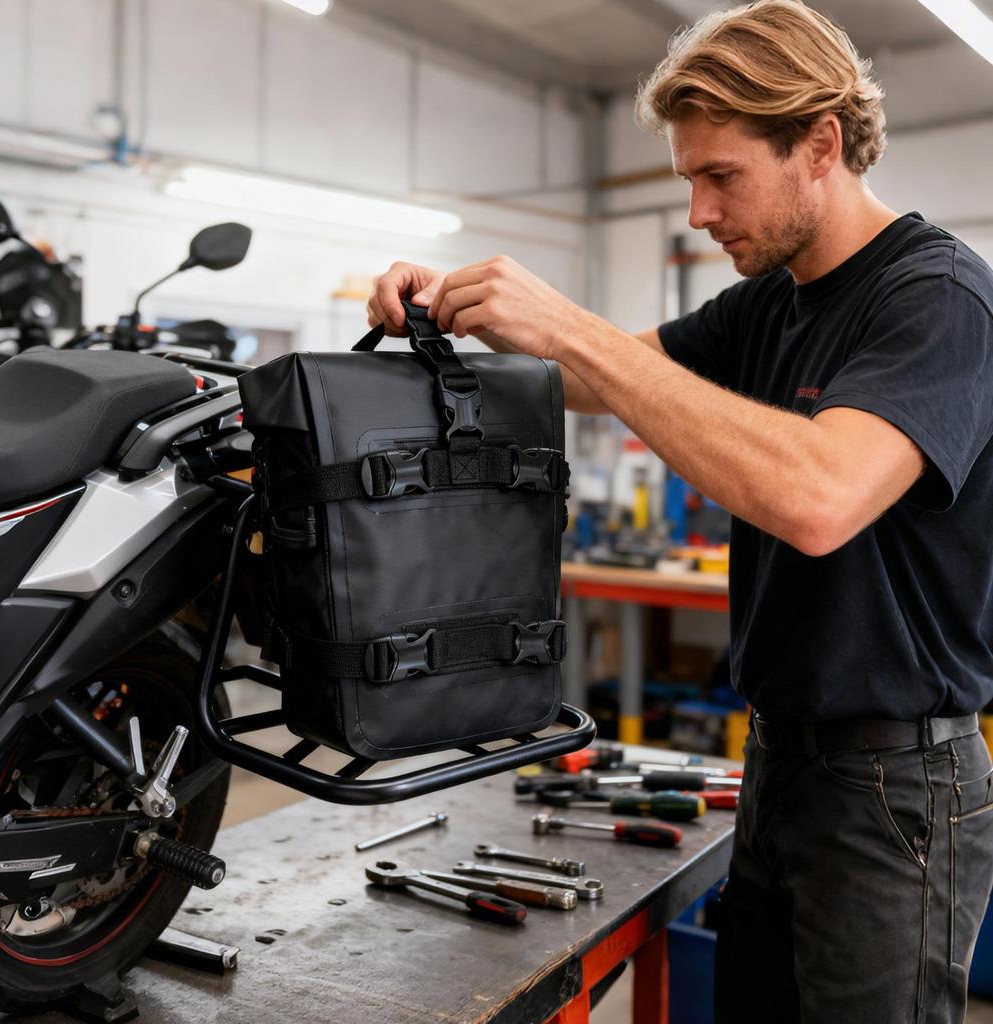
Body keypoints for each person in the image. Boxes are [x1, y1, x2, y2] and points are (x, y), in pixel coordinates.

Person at [367, 1, 993, 1020]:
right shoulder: (768, 302)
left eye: (720, 176)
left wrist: (569, 325)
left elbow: (820, 496)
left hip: (896, 790)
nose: (699, 212)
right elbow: (604, 381)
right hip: (779, 762)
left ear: (819, 144)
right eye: (688, 179)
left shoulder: (938, 300)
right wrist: (456, 322)